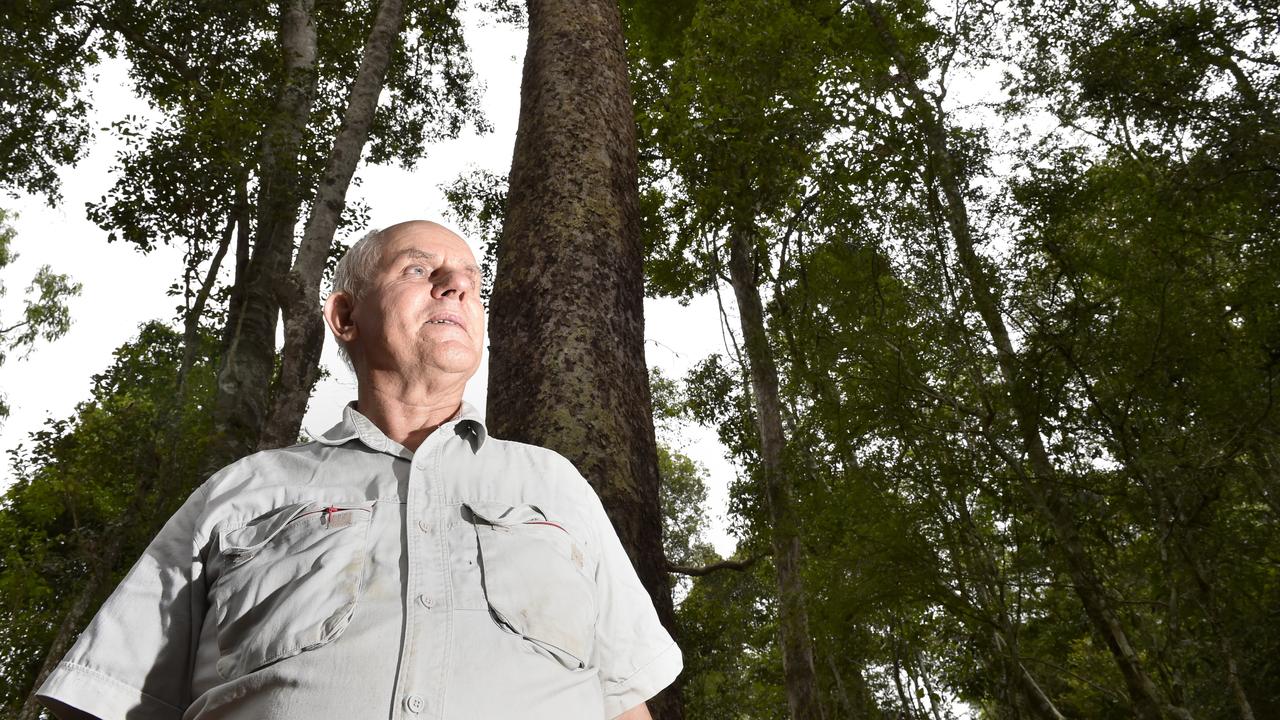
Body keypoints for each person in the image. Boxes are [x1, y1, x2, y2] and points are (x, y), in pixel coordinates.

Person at [37, 220, 682, 719]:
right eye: (419, 269)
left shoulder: (554, 485)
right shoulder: (245, 491)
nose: (456, 285)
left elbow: (623, 697)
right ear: (346, 316)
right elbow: (104, 698)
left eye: (470, 279)